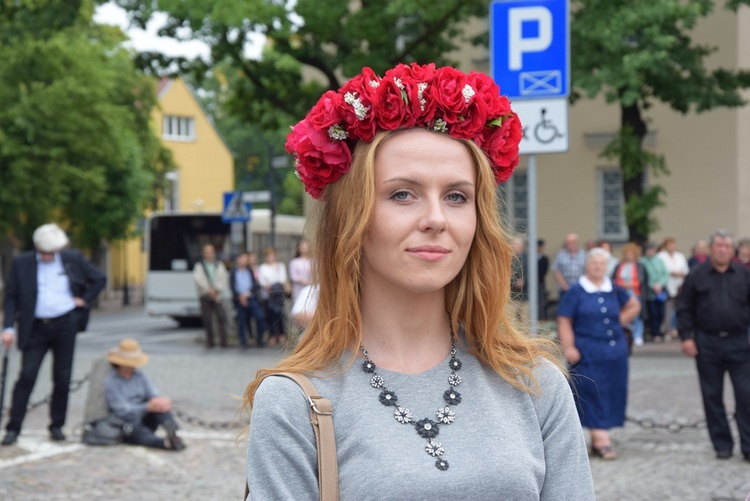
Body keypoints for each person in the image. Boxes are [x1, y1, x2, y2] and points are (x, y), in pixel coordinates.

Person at [243, 63, 594, 499]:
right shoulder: (294, 401)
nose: (435, 219)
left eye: (456, 196)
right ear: (353, 216)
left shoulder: (533, 383)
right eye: (402, 194)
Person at [1, 223, 106, 445]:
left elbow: (98, 278)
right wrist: (8, 327)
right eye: (45, 253)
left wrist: (84, 300)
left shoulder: (72, 258)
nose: (49, 256)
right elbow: (11, 297)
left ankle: (57, 425)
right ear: (37, 248)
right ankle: (14, 427)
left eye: (52, 253)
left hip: (64, 324)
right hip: (35, 327)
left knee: (62, 377)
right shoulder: (22, 263)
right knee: (26, 376)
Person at [557, 248, 641, 460]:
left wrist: (619, 321)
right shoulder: (576, 291)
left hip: (614, 352)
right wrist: (569, 347)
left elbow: (634, 305)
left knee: (612, 391)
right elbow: (564, 320)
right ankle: (602, 439)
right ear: (587, 265)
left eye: (602, 264)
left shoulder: (613, 288)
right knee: (590, 392)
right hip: (587, 352)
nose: (598, 267)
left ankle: (598, 437)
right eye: (594, 263)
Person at [676, 229, 750, 462]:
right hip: (707, 342)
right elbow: (684, 308)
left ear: (732, 250)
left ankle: (748, 446)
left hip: (740, 342)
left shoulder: (743, 273)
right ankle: (722, 445)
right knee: (712, 395)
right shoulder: (697, 275)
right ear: (711, 248)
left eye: (727, 246)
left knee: (746, 395)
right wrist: (686, 337)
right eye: (719, 246)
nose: (723, 250)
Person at [104, 338, 185, 451]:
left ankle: (172, 431)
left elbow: (153, 393)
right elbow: (122, 410)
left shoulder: (140, 376)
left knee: (159, 406)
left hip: (145, 417)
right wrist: (147, 407)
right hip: (126, 423)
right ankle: (165, 444)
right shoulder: (111, 382)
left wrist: (161, 402)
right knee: (139, 434)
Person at [611, 242, 648, 346]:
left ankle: (638, 335)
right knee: (623, 314)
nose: (628, 256)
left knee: (637, 316)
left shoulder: (640, 266)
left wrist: (631, 285)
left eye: (631, 253)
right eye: (627, 253)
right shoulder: (619, 265)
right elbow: (614, 279)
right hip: (621, 293)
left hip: (635, 293)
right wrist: (622, 285)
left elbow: (642, 280)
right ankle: (625, 334)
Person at [193, 243, 229, 348]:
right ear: (203, 254)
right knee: (207, 319)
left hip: (217, 295)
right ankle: (210, 341)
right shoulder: (199, 266)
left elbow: (223, 279)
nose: (209, 255)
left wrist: (216, 290)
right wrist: (208, 289)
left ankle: (224, 341)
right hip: (205, 295)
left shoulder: (219, 265)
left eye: (211, 252)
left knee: (221, 318)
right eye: (207, 252)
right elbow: (199, 280)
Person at [230, 253, 266, 348]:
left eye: (246, 259)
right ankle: (243, 341)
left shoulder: (250, 270)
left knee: (260, 317)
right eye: (243, 259)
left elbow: (254, 285)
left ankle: (259, 339)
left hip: (251, 298)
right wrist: (239, 296)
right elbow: (232, 286)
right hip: (239, 299)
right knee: (241, 321)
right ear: (238, 259)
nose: (244, 261)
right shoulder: (233, 271)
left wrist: (247, 294)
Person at [657, 237, 688, 340]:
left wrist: (679, 273)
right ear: (665, 246)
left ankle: (676, 329)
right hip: (667, 285)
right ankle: (667, 329)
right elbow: (661, 270)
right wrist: (671, 272)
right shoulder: (660, 256)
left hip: (679, 285)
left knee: (678, 308)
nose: (672, 247)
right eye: (670, 245)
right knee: (668, 309)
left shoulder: (680, 256)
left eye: (674, 245)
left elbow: (685, 269)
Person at [258, 247, 289, 346]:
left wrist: (272, 284)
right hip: (268, 295)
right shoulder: (262, 267)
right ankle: (272, 335)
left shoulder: (280, 266)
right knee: (270, 316)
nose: (270, 257)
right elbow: (262, 280)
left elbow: (282, 279)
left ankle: (282, 334)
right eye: (268, 256)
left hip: (278, 295)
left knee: (280, 315)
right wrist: (269, 284)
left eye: (272, 255)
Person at [639, 242, 669, 342]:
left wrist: (660, 284)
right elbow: (644, 276)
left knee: (662, 312)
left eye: (652, 249)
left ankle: (660, 330)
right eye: (649, 250)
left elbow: (665, 273)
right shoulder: (642, 261)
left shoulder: (659, 260)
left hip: (660, 290)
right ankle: (655, 333)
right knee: (653, 313)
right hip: (650, 291)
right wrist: (652, 285)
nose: (651, 252)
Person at [552, 233, 586, 302]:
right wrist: (564, 286)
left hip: (580, 288)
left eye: (572, 242)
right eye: (568, 242)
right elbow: (557, 271)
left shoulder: (584, 254)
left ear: (576, 242)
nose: (570, 244)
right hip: (564, 289)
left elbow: (587, 271)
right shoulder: (560, 254)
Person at [509, 236, 528, 322]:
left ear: (522, 246)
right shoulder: (508, 257)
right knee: (511, 319)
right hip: (512, 295)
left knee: (525, 319)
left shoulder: (528, 258)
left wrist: (524, 281)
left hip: (526, 294)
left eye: (518, 245)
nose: (515, 246)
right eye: (514, 244)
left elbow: (532, 273)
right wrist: (514, 282)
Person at [288, 239, 313, 305]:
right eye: (302, 247)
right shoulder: (294, 262)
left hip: (310, 287)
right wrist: (304, 281)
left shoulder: (313, 261)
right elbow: (293, 276)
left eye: (305, 247)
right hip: (298, 288)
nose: (304, 249)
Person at [537, 239, 549, 320]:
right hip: (530, 284)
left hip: (540, 283)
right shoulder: (530, 258)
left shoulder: (544, 259)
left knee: (541, 302)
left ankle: (541, 319)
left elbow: (544, 272)